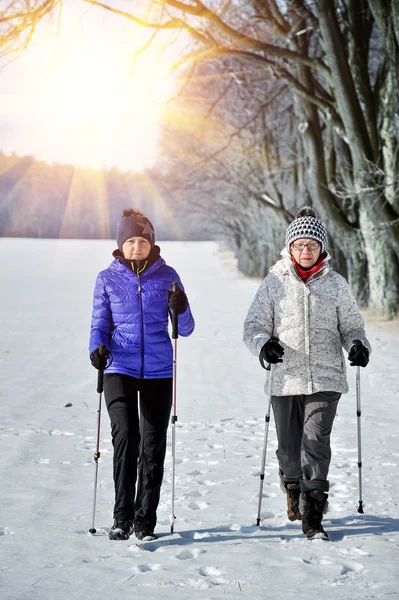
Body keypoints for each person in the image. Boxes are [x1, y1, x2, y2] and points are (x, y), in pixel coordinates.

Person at [243, 207, 370, 540]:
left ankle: (313, 514)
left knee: (315, 442)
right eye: (299, 245)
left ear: (322, 248)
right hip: (285, 378)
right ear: (289, 247)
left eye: (312, 245)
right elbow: (253, 326)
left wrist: (357, 345)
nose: (305, 250)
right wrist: (262, 346)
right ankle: (292, 486)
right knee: (289, 449)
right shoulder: (273, 283)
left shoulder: (336, 284)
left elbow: (353, 326)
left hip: (326, 376)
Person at [89, 209, 195, 541]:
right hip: (118, 368)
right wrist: (97, 348)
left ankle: (145, 520)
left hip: (159, 371)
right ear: (121, 244)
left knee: (152, 445)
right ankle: (122, 518)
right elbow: (99, 324)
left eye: (143, 241)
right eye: (131, 241)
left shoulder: (168, 276)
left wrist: (182, 305)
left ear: (152, 243)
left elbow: (187, 329)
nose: (137, 247)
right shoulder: (106, 279)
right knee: (126, 438)